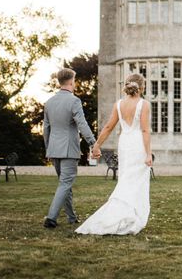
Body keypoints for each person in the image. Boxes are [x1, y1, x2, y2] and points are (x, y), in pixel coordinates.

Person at [75, 73, 152, 235]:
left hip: (124, 144)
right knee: (135, 182)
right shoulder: (144, 104)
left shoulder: (118, 104)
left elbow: (108, 127)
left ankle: (125, 215)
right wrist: (148, 153)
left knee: (126, 178)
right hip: (137, 145)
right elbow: (145, 130)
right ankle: (126, 216)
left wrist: (96, 145)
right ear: (142, 87)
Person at [43, 68, 97, 228]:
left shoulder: (49, 102)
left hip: (54, 149)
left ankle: (71, 217)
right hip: (68, 149)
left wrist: (48, 148)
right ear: (72, 81)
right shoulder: (74, 101)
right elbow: (82, 124)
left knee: (64, 183)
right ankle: (51, 218)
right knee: (65, 183)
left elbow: (46, 129)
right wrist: (93, 143)